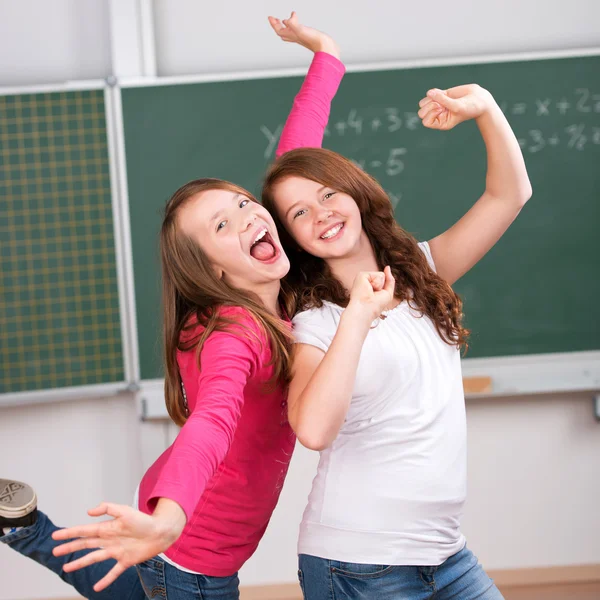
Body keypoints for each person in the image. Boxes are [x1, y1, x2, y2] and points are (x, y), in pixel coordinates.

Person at [0, 13, 345, 600]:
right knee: (140, 585)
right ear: (214, 269)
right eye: (222, 223)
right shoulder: (237, 332)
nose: (250, 214)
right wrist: (170, 518)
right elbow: (211, 421)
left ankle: (29, 532)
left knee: (126, 584)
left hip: (168, 524)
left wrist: (325, 58)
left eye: (242, 203)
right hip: (192, 555)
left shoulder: (265, 288)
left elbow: (296, 164)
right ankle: (38, 535)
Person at [259, 83, 532, 599]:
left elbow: (510, 194)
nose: (320, 215)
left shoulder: (424, 270)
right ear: (293, 238)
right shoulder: (316, 322)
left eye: (327, 194)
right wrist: (358, 313)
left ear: (354, 192)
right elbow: (313, 430)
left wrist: (487, 109)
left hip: (446, 555)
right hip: (358, 565)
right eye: (298, 214)